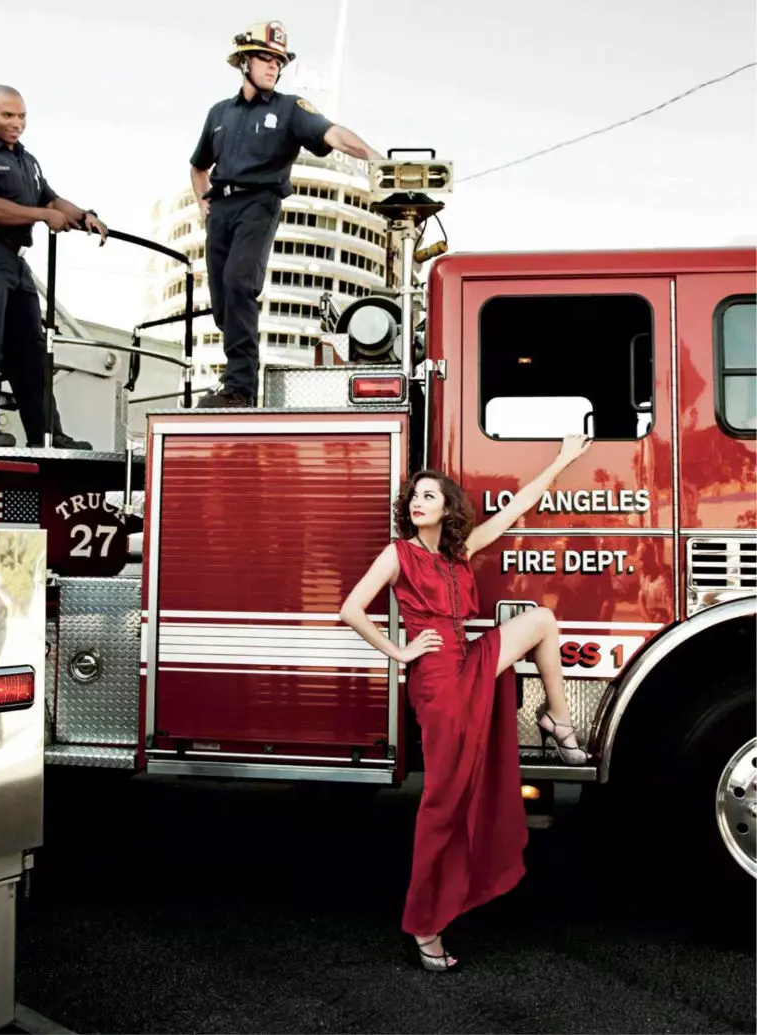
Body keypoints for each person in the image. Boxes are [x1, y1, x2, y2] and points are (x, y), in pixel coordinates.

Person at [340, 434, 592, 972]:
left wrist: (563, 460)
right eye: (414, 496)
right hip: (437, 681)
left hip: (469, 658)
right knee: (445, 799)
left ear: (447, 509)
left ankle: (558, 718)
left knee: (544, 620)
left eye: (429, 496)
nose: (418, 502)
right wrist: (400, 651)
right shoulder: (397, 554)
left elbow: (519, 507)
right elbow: (351, 609)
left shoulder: (460, 550)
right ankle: (426, 924)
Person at [191, 20, 383, 408]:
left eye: (278, 61)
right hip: (222, 209)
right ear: (243, 62)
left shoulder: (289, 108)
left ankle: (240, 388)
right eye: (264, 58)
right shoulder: (218, 114)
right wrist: (202, 202)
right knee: (223, 299)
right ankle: (235, 369)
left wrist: (377, 160)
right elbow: (198, 167)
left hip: (259, 204)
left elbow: (332, 133)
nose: (273, 66)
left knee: (240, 281)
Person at [0, 85, 107, 448]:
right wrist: (43, 216)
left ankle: (48, 433)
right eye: (8, 115)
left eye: (22, 115)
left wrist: (84, 216)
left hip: (15, 261)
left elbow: (51, 198)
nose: (17, 123)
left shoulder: (27, 159)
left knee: (32, 350)